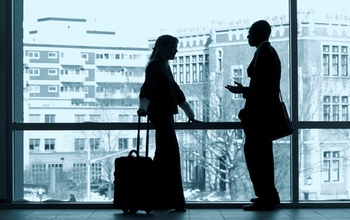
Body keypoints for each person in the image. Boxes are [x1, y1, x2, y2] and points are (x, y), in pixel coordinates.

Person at [137, 34, 199, 212]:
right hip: (161, 115)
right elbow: (148, 88)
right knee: (172, 154)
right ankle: (174, 201)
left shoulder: (163, 65)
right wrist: (144, 106)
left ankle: (155, 200)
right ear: (163, 48)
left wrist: (188, 110)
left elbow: (173, 89)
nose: (176, 50)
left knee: (163, 157)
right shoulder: (156, 66)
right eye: (173, 47)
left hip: (163, 115)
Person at [225, 20, 281, 211]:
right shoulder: (266, 52)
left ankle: (267, 197)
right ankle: (267, 195)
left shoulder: (264, 53)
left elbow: (264, 89)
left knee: (257, 156)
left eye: (250, 33)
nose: (247, 36)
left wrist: (248, 102)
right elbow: (265, 86)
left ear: (259, 33)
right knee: (261, 156)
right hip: (262, 115)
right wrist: (244, 91)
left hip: (260, 117)